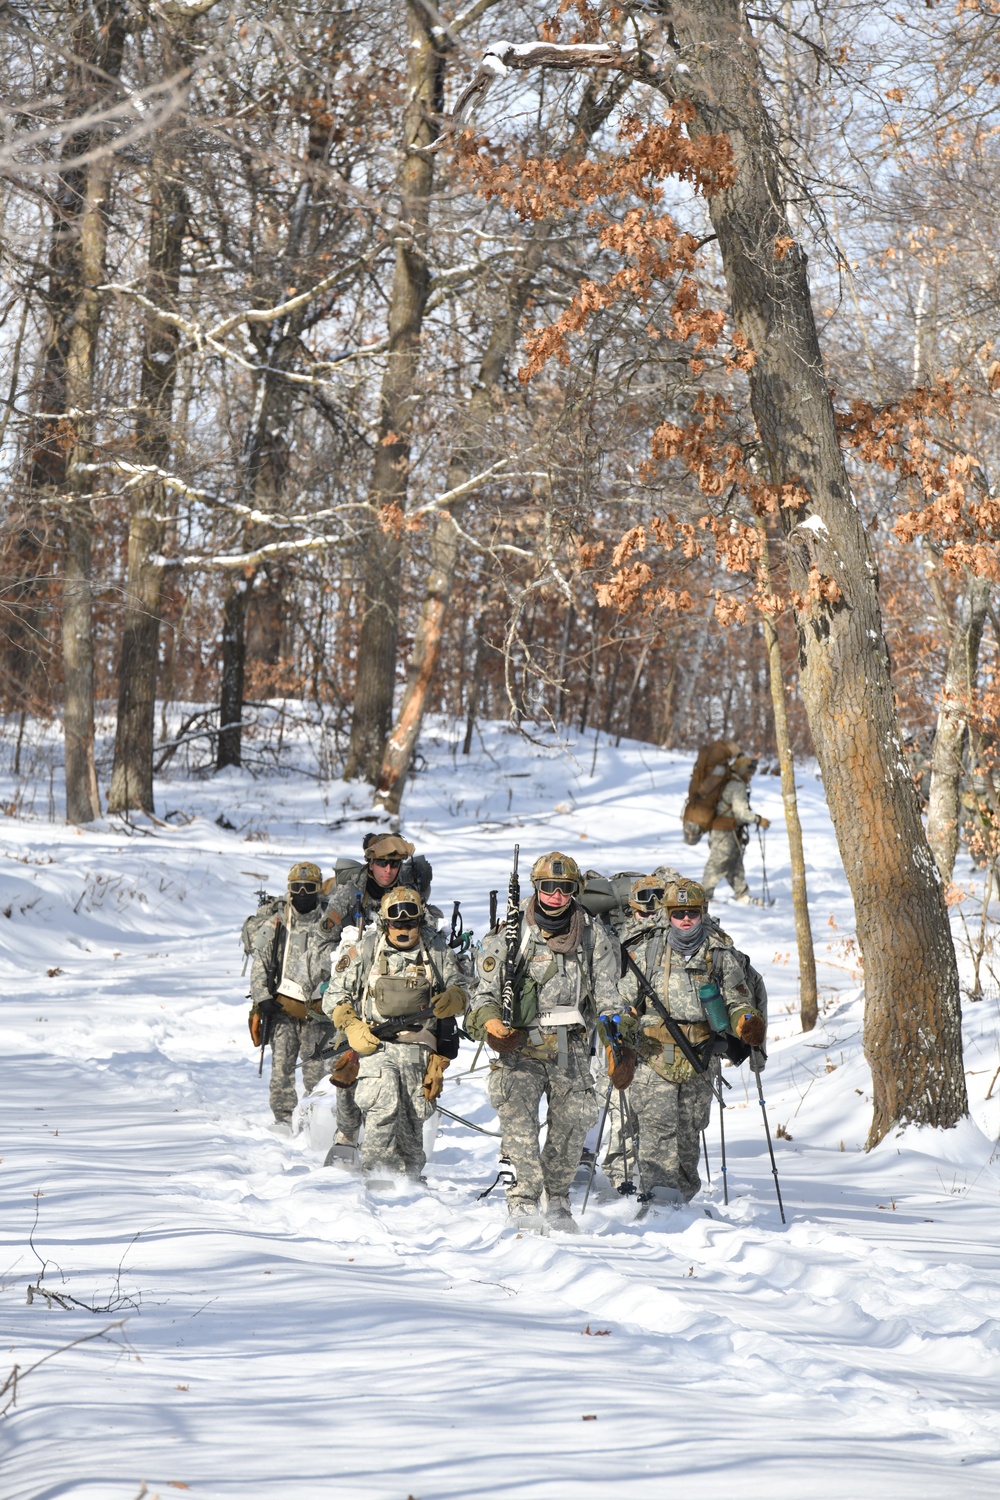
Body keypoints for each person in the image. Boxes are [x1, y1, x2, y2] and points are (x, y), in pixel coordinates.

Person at [466, 851, 621, 1234]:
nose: (555, 895)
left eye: (564, 888)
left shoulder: (591, 934)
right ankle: (522, 1198)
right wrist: (491, 1025)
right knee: (518, 1120)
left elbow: (608, 998)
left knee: (572, 1124)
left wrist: (617, 1041)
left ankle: (558, 1198)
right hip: (518, 1047)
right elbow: (481, 996)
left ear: (574, 891)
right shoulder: (511, 933)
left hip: (570, 1046)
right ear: (536, 888)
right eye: (548, 887)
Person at [609, 878, 765, 1206]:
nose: (685, 920)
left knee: (689, 1133)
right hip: (654, 1055)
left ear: (701, 913)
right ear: (667, 913)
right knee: (656, 1129)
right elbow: (623, 1001)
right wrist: (622, 1033)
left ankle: (681, 1205)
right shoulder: (646, 951)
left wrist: (744, 1023)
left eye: (691, 913)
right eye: (678, 912)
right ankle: (657, 1201)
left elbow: (738, 1000)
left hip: (701, 1056)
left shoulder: (719, 954)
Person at [322, 886, 467, 1180]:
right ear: (386, 922)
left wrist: (455, 997)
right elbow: (334, 994)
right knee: (383, 1107)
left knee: (414, 1119)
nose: (403, 929)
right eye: (396, 923)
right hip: (376, 1045)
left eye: (409, 923)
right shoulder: (365, 949)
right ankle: (377, 1176)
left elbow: (462, 990)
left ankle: (409, 1182)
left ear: (419, 920)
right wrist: (351, 1024)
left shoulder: (436, 950)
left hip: (419, 1049)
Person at [321, 833, 433, 1161]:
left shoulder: (409, 889)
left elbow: (424, 930)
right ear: (370, 863)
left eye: (394, 863)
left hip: (397, 984)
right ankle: (347, 1132)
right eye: (381, 863)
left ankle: (395, 1145)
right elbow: (324, 935)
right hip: (355, 979)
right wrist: (340, 963)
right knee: (347, 1056)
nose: (388, 869)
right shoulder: (350, 890)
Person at [248, 861, 337, 1130]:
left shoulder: (331, 923)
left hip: (317, 1012)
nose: (302, 893)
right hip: (283, 1010)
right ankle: (283, 1117)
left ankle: (316, 1119)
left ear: (319, 890)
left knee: (317, 1071)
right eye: (296, 888)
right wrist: (262, 997)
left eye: (309, 888)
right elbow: (259, 962)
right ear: (289, 889)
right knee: (282, 1068)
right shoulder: (275, 923)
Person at [701, 754, 770, 904]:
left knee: (735, 863)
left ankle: (742, 894)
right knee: (717, 863)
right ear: (743, 771)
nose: (751, 777)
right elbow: (741, 812)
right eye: (749, 774)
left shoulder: (730, 781)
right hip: (724, 832)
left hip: (728, 831)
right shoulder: (737, 786)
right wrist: (759, 820)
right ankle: (703, 898)